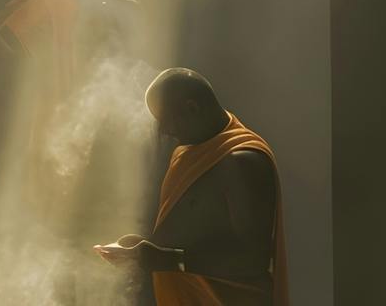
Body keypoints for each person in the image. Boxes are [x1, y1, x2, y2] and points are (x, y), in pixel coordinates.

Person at [94, 68, 289, 305]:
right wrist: (142, 250)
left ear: (192, 108)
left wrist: (166, 260)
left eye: (166, 122)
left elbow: (252, 259)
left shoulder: (242, 161)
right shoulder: (186, 154)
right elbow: (199, 233)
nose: (165, 132)